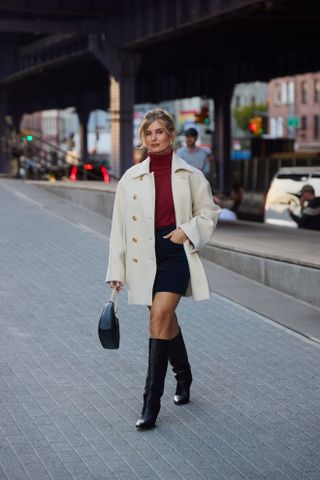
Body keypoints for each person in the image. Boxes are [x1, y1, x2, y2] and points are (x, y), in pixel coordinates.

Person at [106, 108, 221, 430]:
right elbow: (118, 228)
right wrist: (116, 270)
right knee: (164, 318)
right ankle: (184, 375)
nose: (153, 138)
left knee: (159, 316)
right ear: (143, 138)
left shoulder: (191, 175)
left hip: (174, 253)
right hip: (142, 257)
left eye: (159, 132)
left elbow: (210, 211)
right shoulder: (130, 177)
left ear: (171, 135)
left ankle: (150, 403)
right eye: (148, 133)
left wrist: (188, 230)